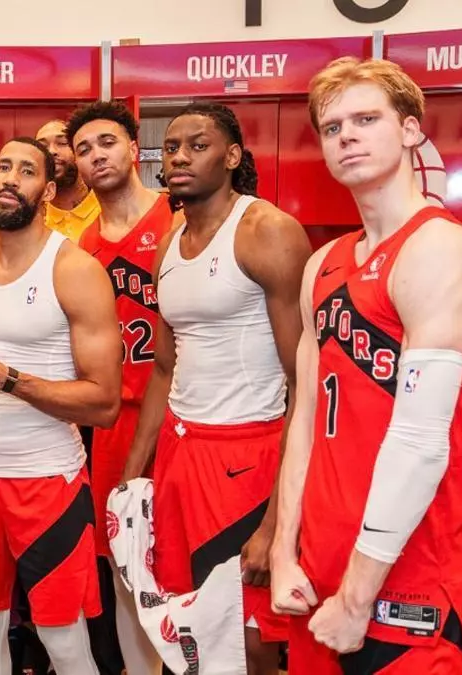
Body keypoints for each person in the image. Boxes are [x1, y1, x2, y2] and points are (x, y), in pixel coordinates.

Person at [270, 57, 462, 674]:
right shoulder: (322, 264)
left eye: (366, 119)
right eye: (332, 127)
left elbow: (421, 442)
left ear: (409, 130)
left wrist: (357, 597)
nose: (346, 135)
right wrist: (285, 549)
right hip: (319, 564)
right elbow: (304, 418)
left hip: (410, 571)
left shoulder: (441, 248)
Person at [116, 102, 311, 675]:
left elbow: (304, 379)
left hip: (247, 454)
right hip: (180, 452)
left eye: (197, 146)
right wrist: (133, 473)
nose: (179, 157)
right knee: (188, 623)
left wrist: (277, 524)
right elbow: (163, 367)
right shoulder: (169, 242)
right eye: (172, 147)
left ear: (232, 157)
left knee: (247, 634)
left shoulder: (266, 231)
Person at [0, 137, 122, 674]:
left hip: (45, 479)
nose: (10, 178)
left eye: (27, 170)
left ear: (48, 190)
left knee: (63, 638)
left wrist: (6, 378)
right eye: (3, 166)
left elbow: (103, 402)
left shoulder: (74, 269)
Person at [68, 100, 176, 675]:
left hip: (181, 414)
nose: (96, 156)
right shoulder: (81, 245)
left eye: (106, 142)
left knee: (182, 560)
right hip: (113, 421)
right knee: (124, 563)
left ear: (134, 149)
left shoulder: (176, 217)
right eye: (84, 149)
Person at [37, 119, 100, 242]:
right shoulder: (32, 221)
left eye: (62, 143)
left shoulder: (108, 208)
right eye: (43, 147)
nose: (51, 151)